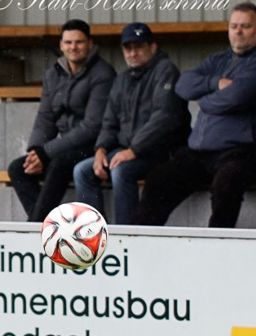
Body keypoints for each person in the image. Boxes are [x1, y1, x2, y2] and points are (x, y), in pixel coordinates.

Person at [133, 3, 256, 228]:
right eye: (234, 26)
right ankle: (140, 242)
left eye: (245, 26)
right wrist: (215, 83)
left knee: (226, 183)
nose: (238, 31)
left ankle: (216, 243)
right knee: (158, 180)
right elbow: (183, 86)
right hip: (201, 151)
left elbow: (236, 96)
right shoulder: (219, 60)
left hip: (243, 150)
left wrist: (204, 100)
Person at [72, 23, 190, 224]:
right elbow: (109, 121)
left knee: (121, 171)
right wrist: (101, 149)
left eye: (139, 47)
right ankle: (92, 232)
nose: (133, 53)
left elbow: (164, 118)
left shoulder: (166, 71)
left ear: (152, 47)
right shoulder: (122, 79)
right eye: (128, 48)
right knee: (82, 171)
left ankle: (126, 234)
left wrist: (133, 150)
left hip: (161, 151)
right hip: (128, 151)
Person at [6, 19, 115, 222]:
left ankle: (36, 226)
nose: (73, 47)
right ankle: (52, 223)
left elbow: (91, 127)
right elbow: (45, 117)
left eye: (79, 42)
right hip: (65, 146)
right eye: (68, 42)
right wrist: (35, 151)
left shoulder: (103, 73)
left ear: (90, 44)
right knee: (18, 168)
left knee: (58, 164)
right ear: (61, 45)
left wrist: (46, 152)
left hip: (94, 145)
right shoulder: (53, 74)